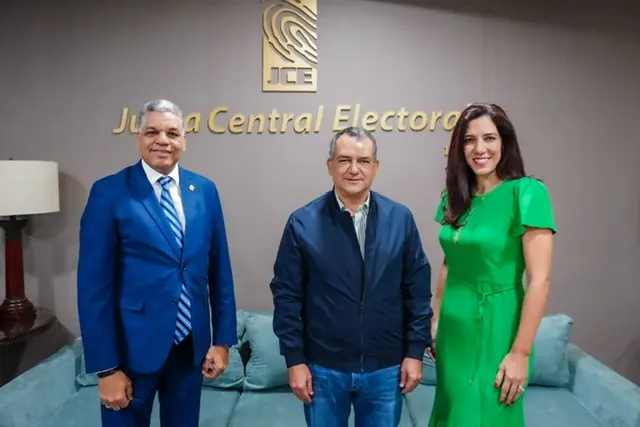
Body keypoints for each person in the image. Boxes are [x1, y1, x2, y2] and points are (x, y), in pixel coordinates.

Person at [77, 99, 238, 427]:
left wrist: (221, 341)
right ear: (138, 138)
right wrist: (106, 368)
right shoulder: (109, 192)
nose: (162, 140)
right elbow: (93, 287)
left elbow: (220, 273)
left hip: (189, 350)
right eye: (152, 131)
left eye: (172, 133)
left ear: (184, 141)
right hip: (130, 352)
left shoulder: (204, 190)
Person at [269, 126, 433, 427]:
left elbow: (418, 291)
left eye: (363, 161)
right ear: (330, 165)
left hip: (386, 369)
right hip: (323, 369)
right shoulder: (302, 223)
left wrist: (414, 352)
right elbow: (287, 296)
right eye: (344, 160)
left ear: (375, 167)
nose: (354, 169)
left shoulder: (401, 219)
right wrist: (294, 359)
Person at [428, 103, 556, 427]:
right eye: (469, 140)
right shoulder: (455, 196)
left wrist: (521, 353)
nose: (479, 149)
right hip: (452, 332)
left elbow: (540, 280)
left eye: (489, 138)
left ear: (505, 143)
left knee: (485, 416)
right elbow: (448, 263)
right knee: (452, 412)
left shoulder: (526, 193)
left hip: (496, 328)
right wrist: (436, 318)